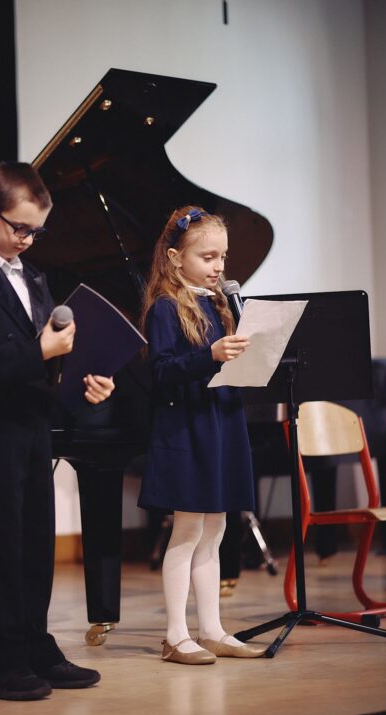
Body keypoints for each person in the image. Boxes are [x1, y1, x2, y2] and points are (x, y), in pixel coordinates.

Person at [0, 161, 114, 700]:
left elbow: (50, 360)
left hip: (33, 424)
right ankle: (3, 661)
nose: (28, 240)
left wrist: (84, 380)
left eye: (37, 231)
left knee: (35, 543)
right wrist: (41, 350)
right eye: (20, 228)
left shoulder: (33, 276)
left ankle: (37, 646)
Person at [138, 207, 266, 663]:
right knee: (189, 528)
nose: (218, 267)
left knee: (217, 528)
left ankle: (211, 630)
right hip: (187, 426)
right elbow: (161, 372)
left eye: (222, 257)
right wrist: (209, 355)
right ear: (175, 258)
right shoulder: (166, 307)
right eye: (207, 257)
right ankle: (176, 635)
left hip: (222, 422)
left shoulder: (220, 303)